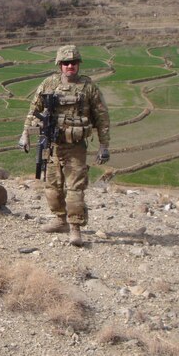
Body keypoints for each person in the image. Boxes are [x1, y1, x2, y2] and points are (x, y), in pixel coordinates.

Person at [18, 45, 110, 246]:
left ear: (78, 64)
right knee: (52, 187)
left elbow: (102, 117)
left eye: (73, 62)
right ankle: (60, 220)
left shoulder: (88, 87)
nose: (70, 66)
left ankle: (75, 227)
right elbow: (34, 110)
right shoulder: (49, 84)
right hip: (52, 145)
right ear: (59, 65)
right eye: (66, 63)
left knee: (75, 188)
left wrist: (104, 145)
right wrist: (25, 134)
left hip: (75, 146)